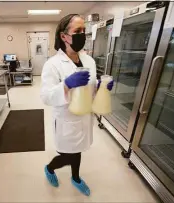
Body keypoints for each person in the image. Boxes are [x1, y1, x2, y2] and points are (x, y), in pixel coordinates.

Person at [40, 14, 114, 196]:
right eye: (77, 31)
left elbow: (90, 91)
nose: (83, 35)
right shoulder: (52, 64)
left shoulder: (89, 61)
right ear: (64, 36)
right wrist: (66, 84)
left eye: (84, 31)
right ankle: (49, 168)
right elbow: (47, 96)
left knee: (77, 151)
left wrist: (101, 87)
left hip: (83, 117)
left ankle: (75, 178)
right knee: (67, 154)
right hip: (66, 120)